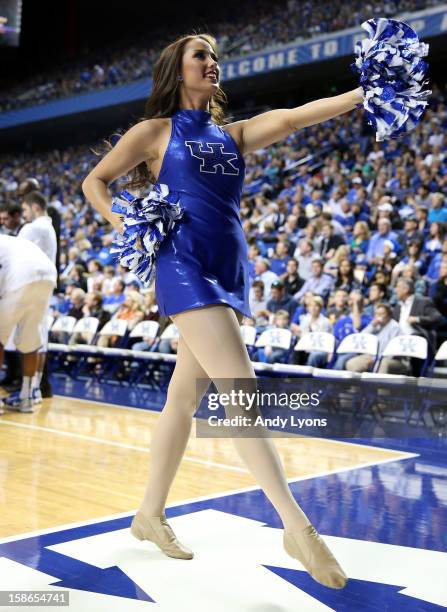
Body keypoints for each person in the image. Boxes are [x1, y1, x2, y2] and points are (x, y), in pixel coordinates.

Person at [82, 33, 364, 589]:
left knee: (183, 396)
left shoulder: (230, 133)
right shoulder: (154, 132)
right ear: (176, 70)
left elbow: (294, 117)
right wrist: (126, 224)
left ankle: (148, 515)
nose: (212, 64)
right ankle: (296, 525)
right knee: (241, 394)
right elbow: (95, 181)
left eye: (215, 57)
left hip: (229, 266)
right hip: (182, 264)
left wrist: (361, 94)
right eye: (200, 56)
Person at [0, 236, 57, 413]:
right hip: (48, 274)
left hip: (21, 273)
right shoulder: (10, 241)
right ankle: (26, 398)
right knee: (31, 342)